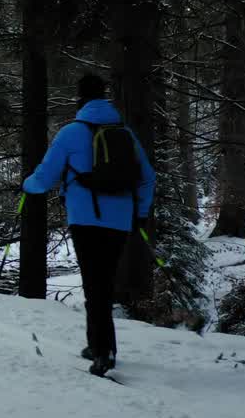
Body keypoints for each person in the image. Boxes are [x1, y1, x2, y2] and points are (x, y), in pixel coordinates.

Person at [22, 73, 155, 377]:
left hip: (86, 218)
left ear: (79, 99)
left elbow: (45, 176)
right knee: (102, 282)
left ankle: (103, 351)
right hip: (120, 220)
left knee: (95, 284)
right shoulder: (125, 133)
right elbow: (148, 177)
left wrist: (27, 187)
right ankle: (97, 344)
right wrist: (141, 213)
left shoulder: (71, 133)